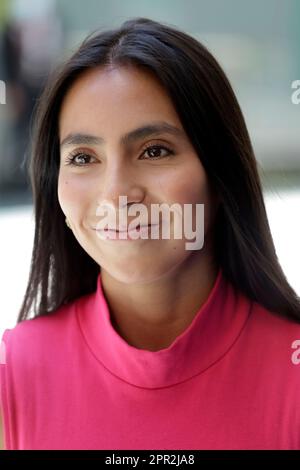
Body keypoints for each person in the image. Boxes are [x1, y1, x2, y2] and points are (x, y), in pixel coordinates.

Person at [0, 17, 300, 451]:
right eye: (84, 157)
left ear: (220, 174)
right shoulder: (14, 375)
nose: (118, 192)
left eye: (154, 150)